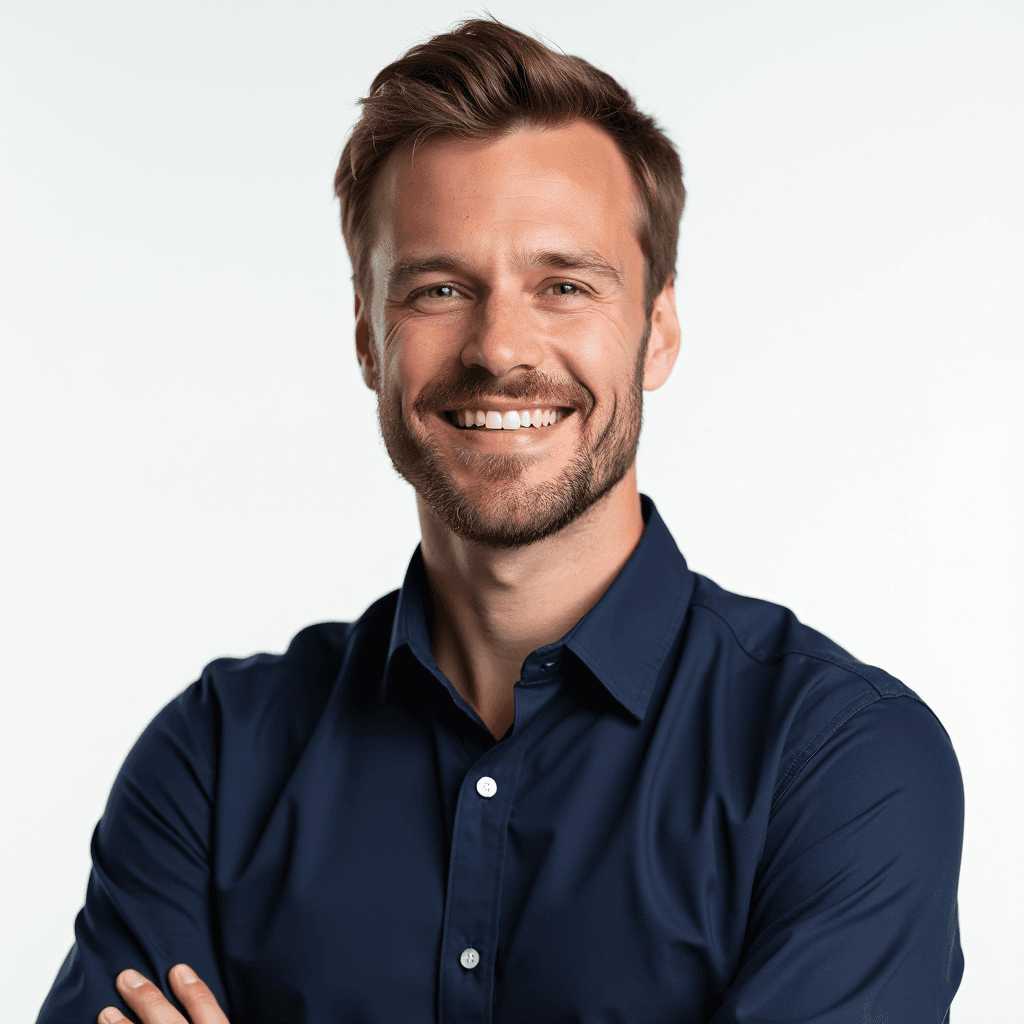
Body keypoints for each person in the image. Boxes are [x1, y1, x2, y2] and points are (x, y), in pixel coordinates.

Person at [37, 18, 964, 1024]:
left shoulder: (838, 764)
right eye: (439, 288)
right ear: (367, 340)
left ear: (655, 331)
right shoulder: (215, 762)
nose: (498, 348)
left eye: (563, 285)